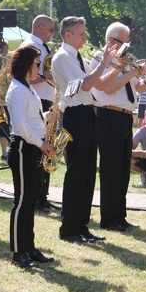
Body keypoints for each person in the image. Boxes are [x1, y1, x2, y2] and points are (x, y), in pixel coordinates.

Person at [52, 16, 117, 243]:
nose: (85, 37)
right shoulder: (62, 57)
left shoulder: (78, 57)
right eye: (81, 33)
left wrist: (116, 67)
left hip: (88, 112)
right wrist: (103, 62)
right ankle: (69, 227)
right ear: (67, 35)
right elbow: (86, 84)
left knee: (89, 173)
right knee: (77, 172)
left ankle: (82, 225)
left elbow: (100, 84)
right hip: (75, 115)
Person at [92, 22, 146, 232]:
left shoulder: (123, 63)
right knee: (110, 169)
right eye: (124, 43)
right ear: (111, 42)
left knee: (123, 169)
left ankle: (120, 215)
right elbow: (108, 88)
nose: (127, 48)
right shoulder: (101, 60)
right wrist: (130, 71)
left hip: (125, 117)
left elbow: (136, 88)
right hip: (108, 115)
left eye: (128, 43)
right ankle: (108, 218)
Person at [5, 45, 55, 268]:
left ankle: (30, 247)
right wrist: (42, 143)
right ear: (27, 64)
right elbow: (20, 125)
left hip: (32, 146)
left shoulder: (28, 88)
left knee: (31, 200)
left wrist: (47, 116)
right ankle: (18, 251)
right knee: (22, 201)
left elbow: (31, 119)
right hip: (24, 147)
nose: (39, 67)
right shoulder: (17, 89)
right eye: (37, 63)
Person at [22, 15, 58, 213]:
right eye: (51, 30)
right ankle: (35, 196)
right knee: (38, 147)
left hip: (46, 100)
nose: (53, 34)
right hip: (36, 100)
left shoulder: (43, 47)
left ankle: (42, 196)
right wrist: (49, 77)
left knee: (48, 147)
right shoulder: (30, 46)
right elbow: (26, 75)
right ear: (41, 28)